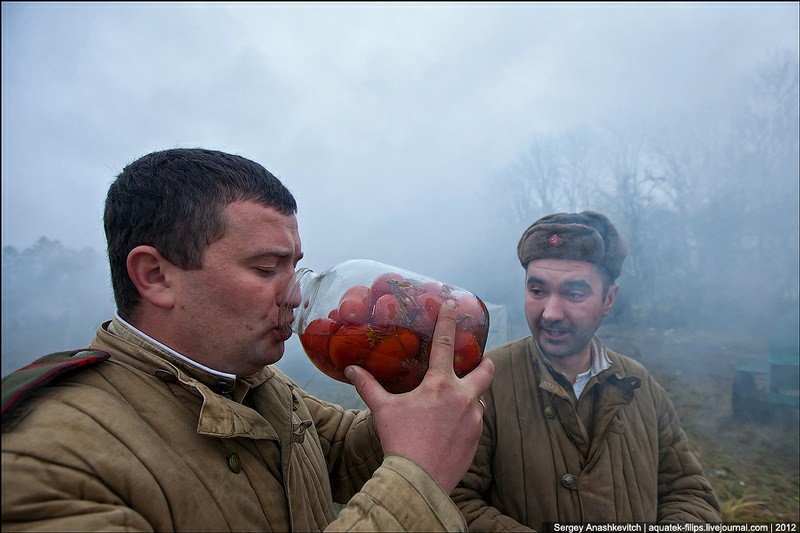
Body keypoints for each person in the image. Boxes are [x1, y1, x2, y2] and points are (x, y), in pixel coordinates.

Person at [1, 148, 495, 532]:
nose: (296, 293)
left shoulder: (253, 382)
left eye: (294, 265)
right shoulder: (45, 462)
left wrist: (424, 395)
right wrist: (417, 477)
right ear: (155, 276)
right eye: (266, 269)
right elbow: (406, 469)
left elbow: (345, 450)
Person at [451, 211, 721, 530]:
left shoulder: (641, 387)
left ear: (609, 299)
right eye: (537, 291)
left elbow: (689, 494)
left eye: (574, 294)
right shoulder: (485, 385)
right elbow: (452, 499)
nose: (550, 313)